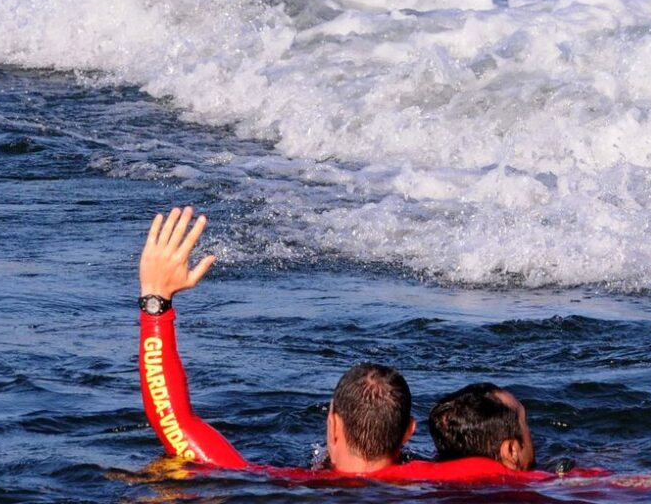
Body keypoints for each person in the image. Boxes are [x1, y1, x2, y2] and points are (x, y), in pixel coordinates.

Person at [136, 206, 579, 484]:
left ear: (333, 427)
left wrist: (156, 300)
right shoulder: (467, 476)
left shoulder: (280, 482)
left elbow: (174, 420)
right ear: (408, 433)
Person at [428, 382, 537, 470]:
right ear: (511, 451)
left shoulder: (417, 484)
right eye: (525, 421)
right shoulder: (546, 488)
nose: (531, 433)